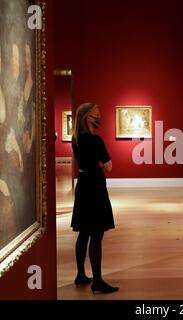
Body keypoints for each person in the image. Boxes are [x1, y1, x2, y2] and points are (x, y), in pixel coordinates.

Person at [71, 103, 119, 294]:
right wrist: (99, 162)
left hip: (83, 184)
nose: (99, 117)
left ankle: (80, 275)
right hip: (96, 188)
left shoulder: (76, 139)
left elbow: (85, 162)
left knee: (83, 232)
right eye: (96, 115)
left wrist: (96, 162)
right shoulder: (95, 140)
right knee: (97, 234)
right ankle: (97, 281)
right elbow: (109, 166)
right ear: (87, 117)